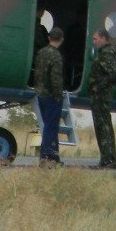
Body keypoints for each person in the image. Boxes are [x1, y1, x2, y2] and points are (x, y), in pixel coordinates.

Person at [84, 28, 116, 168]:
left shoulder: (106, 53)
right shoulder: (111, 51)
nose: (94, 42)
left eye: (96, 39)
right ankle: (107, 160)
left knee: (103, 128)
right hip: (102, 95)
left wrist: (100, 86)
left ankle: (108, 161)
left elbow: (114, 73)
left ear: (103, 38)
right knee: (105, 126)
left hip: (100, 97)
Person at [31, 27, 66, 166]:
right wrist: (58, 95)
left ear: (49, 38)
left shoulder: (41, 53)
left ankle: (49, 157)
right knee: (51, 128)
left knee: (47, 126)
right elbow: (56, 78)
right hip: (51, 96)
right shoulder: (56, 56)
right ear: (61, 39)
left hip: (41, 94)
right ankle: (49, 158)